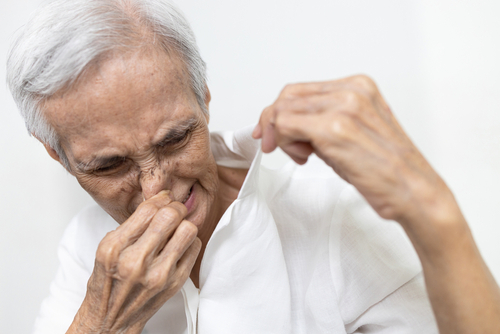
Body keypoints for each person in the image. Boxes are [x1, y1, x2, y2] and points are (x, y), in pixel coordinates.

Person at [6, 0, 499, 333]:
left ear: (204, 96)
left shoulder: (328, 213)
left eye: (176, 138)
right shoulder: (87, 246)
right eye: (109, 166)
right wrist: (101, 321)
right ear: (57, 155)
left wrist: (431, 210)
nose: (158, 190)